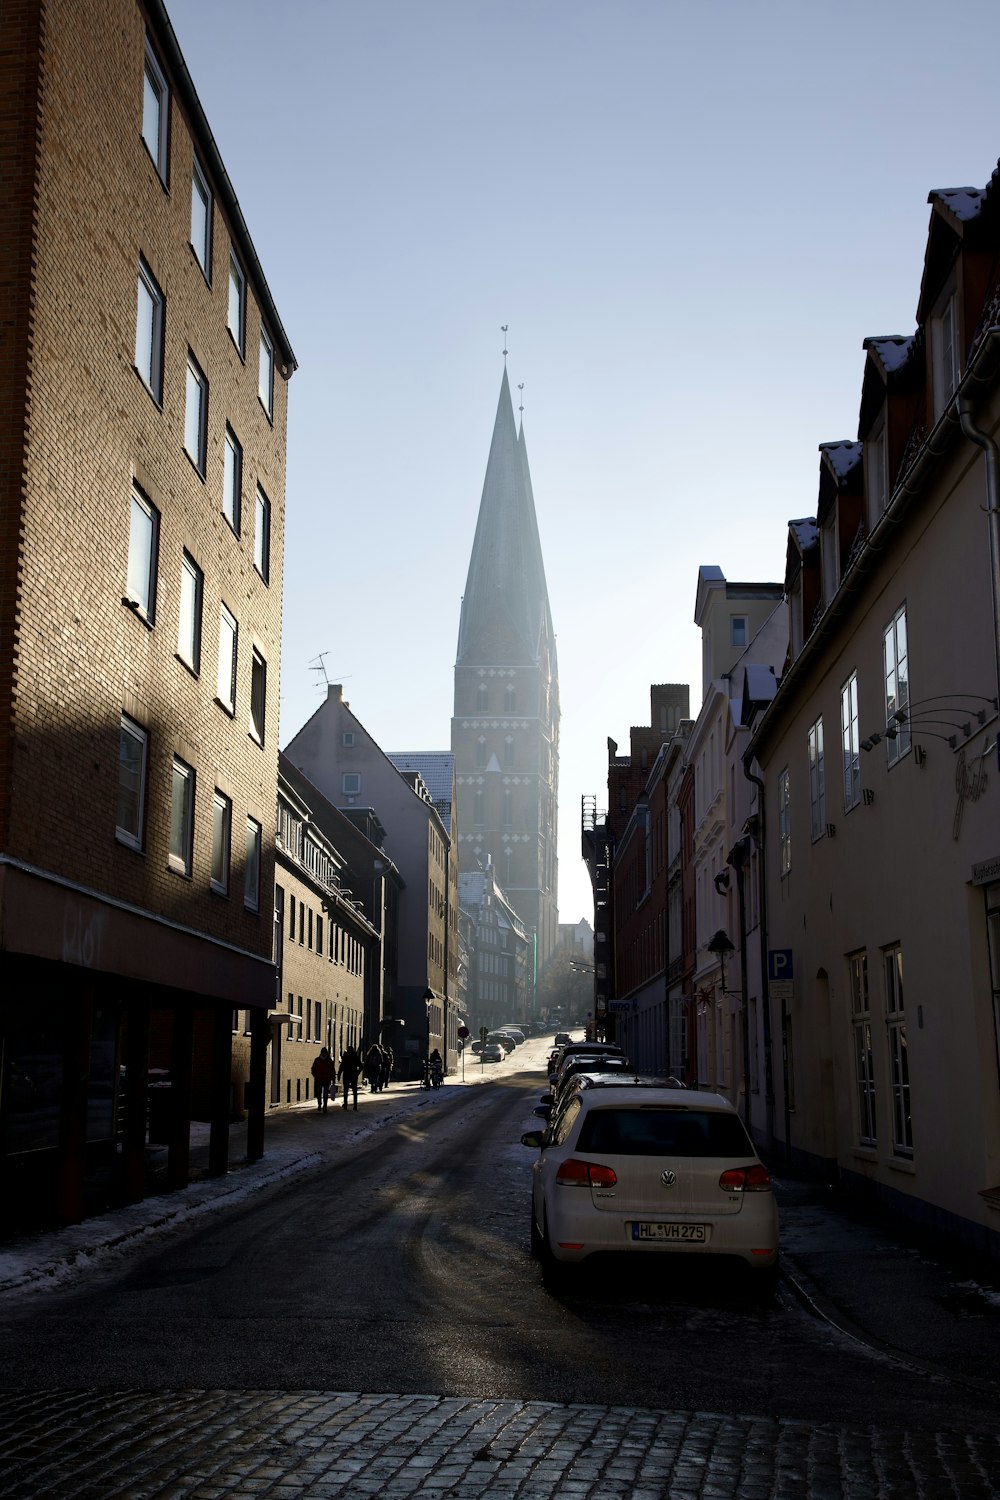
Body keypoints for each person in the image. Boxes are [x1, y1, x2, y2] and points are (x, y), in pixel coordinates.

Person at [311, 1046, 336, 1113]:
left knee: (325, 1094)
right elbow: (313, 1069)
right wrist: (315, 1075)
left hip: (326, 1080)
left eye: (324, 1053)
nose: (323, 1054)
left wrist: (333, 1079)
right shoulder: (317, 1060)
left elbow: (332, 1071)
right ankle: (320, 1104)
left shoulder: (329, 1061)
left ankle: (324, 1106)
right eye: (323, 1053)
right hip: (319, 1079)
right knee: (319, 1093)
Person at [338, 1043, 361, 1110]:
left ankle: (345, 1105)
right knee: (354, 1091)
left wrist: (339, 1074)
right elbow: (361, 1066)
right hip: (353, 1075)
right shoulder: (355, 1057)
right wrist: (357, 1072)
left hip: (346, 1075)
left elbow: (341, 1067)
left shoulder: (345, 1057)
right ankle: (355, 1105)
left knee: (346, 1091)